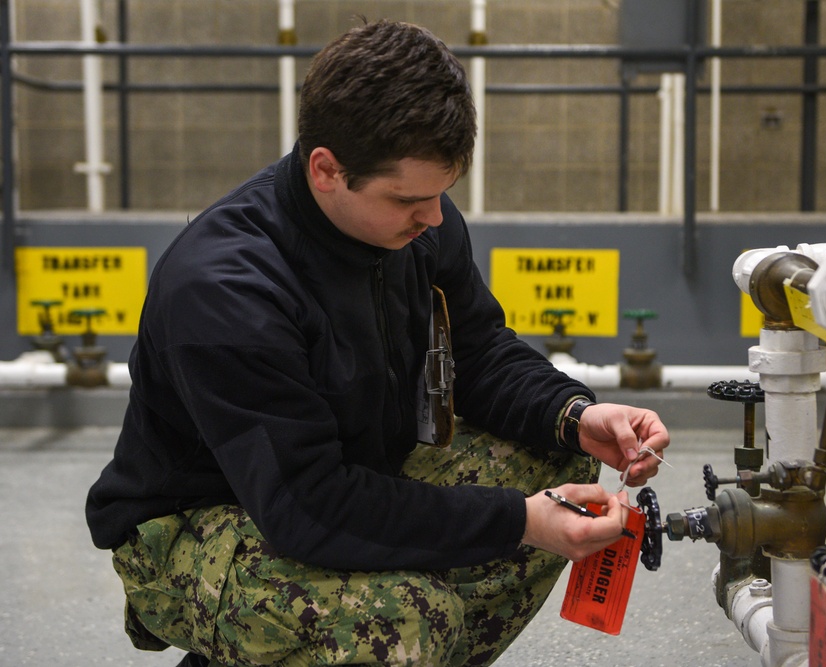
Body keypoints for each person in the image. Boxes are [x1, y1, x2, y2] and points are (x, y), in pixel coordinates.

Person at [86, 19, 669, 667]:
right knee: (402, 621)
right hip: (195, 525)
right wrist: (518, 521)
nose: (434, 218)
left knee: (558, 464)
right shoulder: (228, 286)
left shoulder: (416, 228)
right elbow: (309, 506)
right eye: (407, 200)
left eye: (440, 195)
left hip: (343, 476)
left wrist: (577, 415)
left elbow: (478, 351)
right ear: (326, 169)